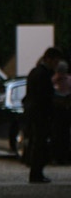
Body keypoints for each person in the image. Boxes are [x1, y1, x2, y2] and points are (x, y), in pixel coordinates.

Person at [22, 48, 62, 183]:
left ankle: (36, 172)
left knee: (38, 143)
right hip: (40, 114)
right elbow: (43, 96)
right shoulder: (42, 74)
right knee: (40, 144)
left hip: (35, 113)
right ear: (49, 59)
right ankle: (36, 173)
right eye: (55, 61)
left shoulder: (36, 72)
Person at [52, 59, 71, 164]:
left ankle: (65, 156)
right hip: (57, 110)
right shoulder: (53, 80)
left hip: (66, 109)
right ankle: (57, 156)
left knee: (65, 134)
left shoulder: (68, 80)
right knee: (57, 134)